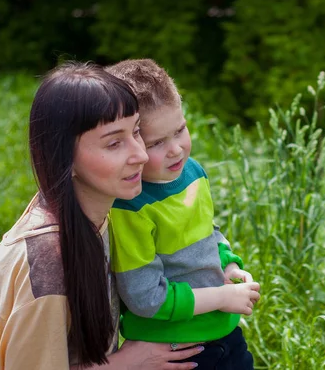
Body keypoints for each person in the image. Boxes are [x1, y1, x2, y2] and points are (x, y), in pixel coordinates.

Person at [0, 62, 204, 370]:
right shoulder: (47, 261)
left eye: (136, 132)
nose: (141, 154)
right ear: (65, 160)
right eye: (114, 143)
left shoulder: (98, 213)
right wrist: (128, 361)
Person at [105, 59, 260, 369]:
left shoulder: (193, 173)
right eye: (157, 142)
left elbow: (208, 232)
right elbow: (146, 297)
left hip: (223, 331)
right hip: (173, 351)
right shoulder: (130, 206)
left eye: (180, 130)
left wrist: (228, 266)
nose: (176, 149)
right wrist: (220, 298)